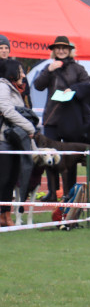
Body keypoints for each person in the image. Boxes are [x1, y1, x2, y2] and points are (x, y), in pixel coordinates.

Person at [32, 35, 90, 200]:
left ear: (69, 50)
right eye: (58, 48)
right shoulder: (49, 67)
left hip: (71, 119)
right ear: (54, 51)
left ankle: (70, 192)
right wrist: (49, 70)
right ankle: (53, 192)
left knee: (70, 157)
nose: (61, 51)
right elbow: (38, 86)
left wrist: (73, 89)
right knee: (49, 157)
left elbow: (88, 87)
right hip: (52, 119)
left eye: (64, 48)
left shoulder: (78, 68)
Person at [0, 59, 37, 227]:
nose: (23, 75)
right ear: (11, 73)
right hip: (3, 141)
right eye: (20, 71)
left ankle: (5, 215)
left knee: (10, 179)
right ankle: (3, 214)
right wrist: (28, 126)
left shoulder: (14, 88)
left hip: (13, 140)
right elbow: (7, 110)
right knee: (4, 179)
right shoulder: (2, 86)